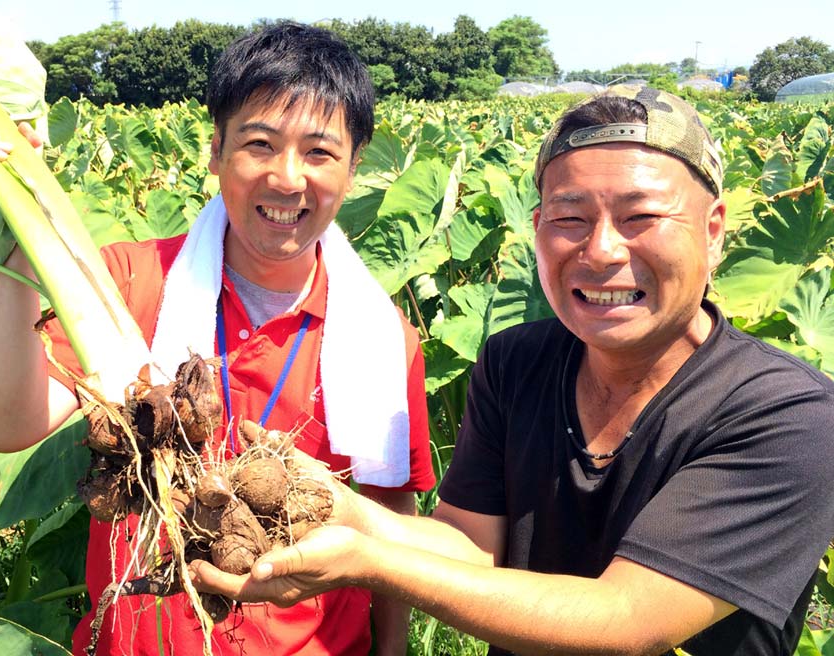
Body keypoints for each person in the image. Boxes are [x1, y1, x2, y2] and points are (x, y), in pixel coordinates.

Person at [190, 85, 834, 655]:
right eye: (570, 218)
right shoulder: (515, 361)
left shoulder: (789, 414)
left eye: (640, 217)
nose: (603, 249)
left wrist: (369, 562)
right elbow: (470, 548)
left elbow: (627, 620)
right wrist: (339, 508)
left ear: (714, 230)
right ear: (538, 228)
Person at [0, 22, 435, 656]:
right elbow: (4, 423)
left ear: (352, 168)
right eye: (259, 144)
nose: (288, 179)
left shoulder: (381, 339)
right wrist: (18, 227)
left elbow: (391, 515)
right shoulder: (130, 282)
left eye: (318, 152)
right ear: (215, 151)